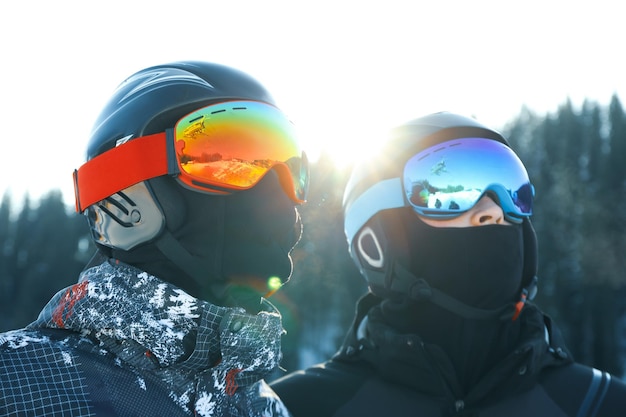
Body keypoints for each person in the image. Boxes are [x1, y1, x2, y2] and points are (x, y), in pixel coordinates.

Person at [0, 61, 309, 416]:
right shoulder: (17, 383)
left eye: (289, 166)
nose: (274, 191)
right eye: (222, 158)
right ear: (128, 195)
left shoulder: (265, 406)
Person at [270, 112, 626, 416]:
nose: (493, 211)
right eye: (450, 192)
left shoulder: (601, 404)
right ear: (377, 241)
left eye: (510, 189)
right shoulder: (297, 408)